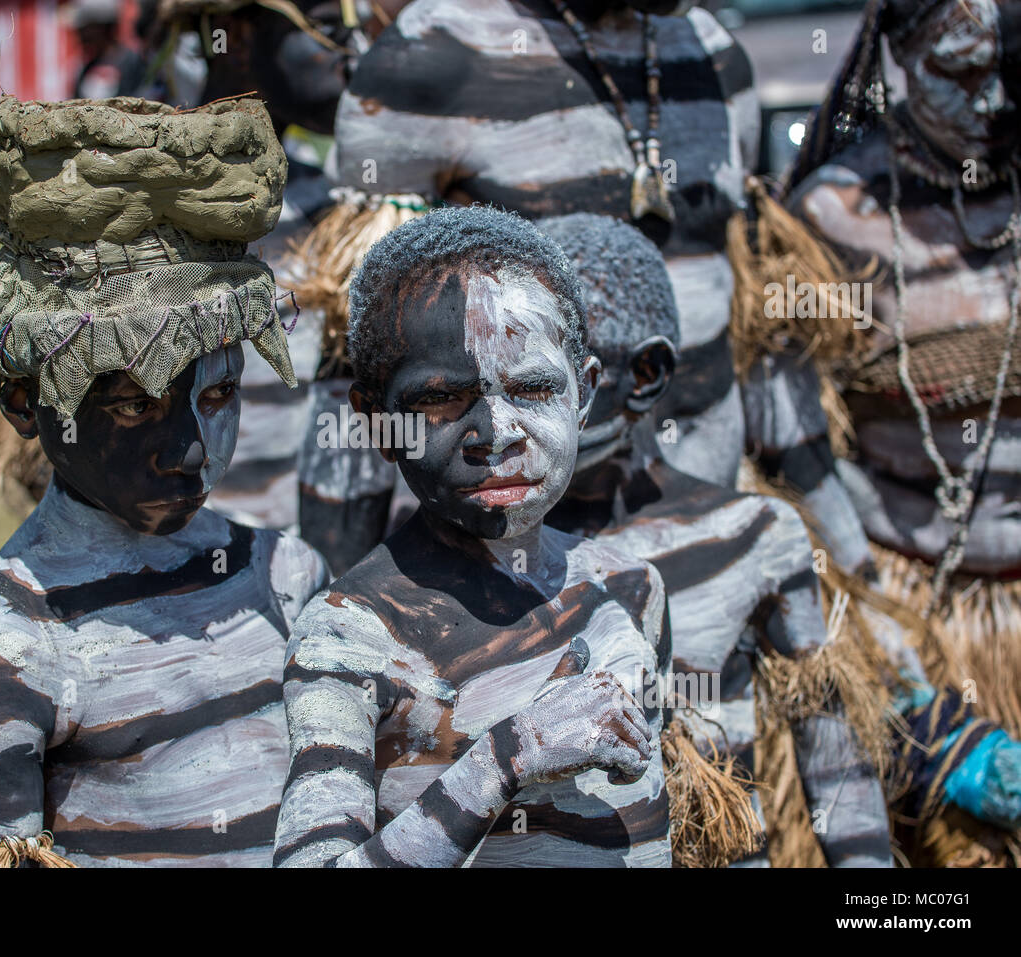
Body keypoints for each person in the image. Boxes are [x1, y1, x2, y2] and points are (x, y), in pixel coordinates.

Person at [0, 93, 328, 867]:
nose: (191, 451)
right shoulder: (14, 652)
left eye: (219, 396)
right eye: (134, 404)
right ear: (26, 401)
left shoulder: (288, 577)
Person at [291, 0, 837, 576]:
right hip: (505, 552)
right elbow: (359, 358)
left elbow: (752, 330)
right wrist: (345, 586)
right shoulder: (431, 56)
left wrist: (837, 544)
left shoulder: (712, 53)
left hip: (705, 535)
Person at [275, 206, 670, 867]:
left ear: (586, 393)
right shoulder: (351, 635)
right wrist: (506, 756)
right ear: (377, 421)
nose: (496, 432)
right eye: (442, 400)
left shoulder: (630, 589)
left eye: (533, 387)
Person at [542, 213, 894, 867]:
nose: (513, 412)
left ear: (644, 375)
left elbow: (839, 773)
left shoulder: (753, 536)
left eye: (549, 380)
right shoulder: (475, 551)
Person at [774, 0, 1021, 864]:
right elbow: (790, 464)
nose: (993, 101)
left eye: (1012, 68)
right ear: (900, 54)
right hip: (907, 614)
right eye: (960, 71)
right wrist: (916, 701)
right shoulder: (836, 221)